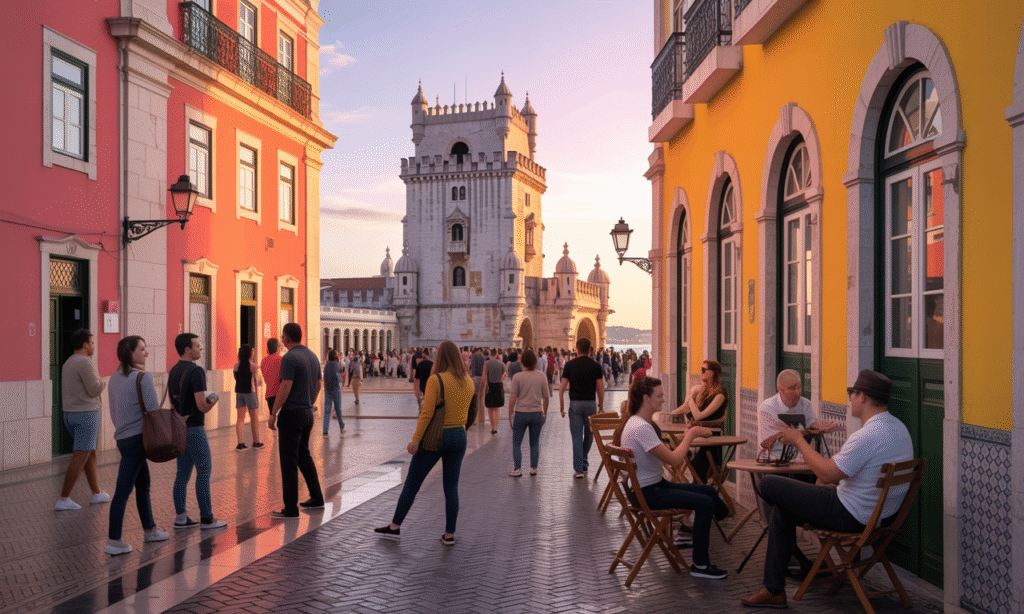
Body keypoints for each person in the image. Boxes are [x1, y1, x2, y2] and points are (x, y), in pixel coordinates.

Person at [740, 370, 913, 608]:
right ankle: (773, 589)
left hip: (850, 514)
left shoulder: (868, 434)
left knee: (769, 484)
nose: (850, 399)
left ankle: (776, 587)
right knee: (783, 510)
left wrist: (799, 441)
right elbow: (841, 475)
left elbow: (827, 473)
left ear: (862, 397)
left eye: (852, 394)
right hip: (880, 516)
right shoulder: (899, 429)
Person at [615, 376, 729, 579]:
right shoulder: (641, 427)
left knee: (709, 491)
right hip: (649, 492)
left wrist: (687, 436)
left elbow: (667, 454)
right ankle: (700, 565)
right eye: (659, 395)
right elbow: (676, 461)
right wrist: (691, 435)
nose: (663, 399)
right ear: (646, 399)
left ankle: (717, 520)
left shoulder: (636, 422)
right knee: (704, 503)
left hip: (650, 486)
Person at [375, 340, 473, 545]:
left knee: (412, 483)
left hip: (436, 437)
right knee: (451, 486)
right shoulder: (468, 381)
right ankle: (449, 534)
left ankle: (395, 526)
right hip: (459, 436)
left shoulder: (436, 380)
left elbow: (427, 414)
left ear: (440, 358)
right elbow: (473, 412)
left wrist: (415, 440)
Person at [104, 336, 170, 555]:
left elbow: (115, 409)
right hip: (137, 439)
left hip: (123, 438)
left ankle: (150, 529)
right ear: (130, 353)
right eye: (142, 349)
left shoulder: (114, 378)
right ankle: (114, 540)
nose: (146, 352)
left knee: (143, 484)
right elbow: (153, 410)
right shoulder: (142, 377)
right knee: (122, 491)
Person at [169, 333, 227, 531]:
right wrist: (214, 398)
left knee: (182, 475)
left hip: (179, 429)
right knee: (203, 470)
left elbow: (174, 403)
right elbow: (202, 405)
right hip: (194, 428)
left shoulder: (174, 371)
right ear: (188, 349)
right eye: (197, 345)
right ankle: (207, 518)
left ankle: (181, 517)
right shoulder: (196, 371)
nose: (201, 348)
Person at [268, 323, 324, 518]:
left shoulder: (290, 358)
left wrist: (274, 412)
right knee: (303, 457)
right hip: (307, 413)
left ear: (287, 338)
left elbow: (285, 386)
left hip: (291, 414)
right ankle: (317, 497)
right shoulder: (312, 355)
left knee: (289, 461)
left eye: (283, 337)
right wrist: (310, 401)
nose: (282, 340)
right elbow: (318, 384)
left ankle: (290, 508)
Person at [56, 329, 109, 510]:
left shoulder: (68, 362)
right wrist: (104, 380)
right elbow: (94, 389)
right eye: (92, 343)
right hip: (86, 414)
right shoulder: (85, 362)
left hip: (69, 414)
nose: (94, 346)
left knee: (89, 453)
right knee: (80, 457)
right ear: (85, 344)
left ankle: (96, 493)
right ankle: (63, 499)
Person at [757, 369, 838, 461]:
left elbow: (812, 423)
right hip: (773, 459)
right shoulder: (768, 407)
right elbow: (786, 436)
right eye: (792, 388)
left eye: (799, 387)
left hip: (800, 459)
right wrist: (811, 430)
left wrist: (824, 426)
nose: (797, 392)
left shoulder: (806, 404)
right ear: (781, 390)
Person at [672, 359, 727, 483]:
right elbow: (686, 407)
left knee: (699, 468)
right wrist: (669, 415)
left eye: (703, 370)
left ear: (712, 373)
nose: (701, 373)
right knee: (695, 466)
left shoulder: (720, 393)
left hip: (712, 435)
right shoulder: (703, 391)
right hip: (698, 434)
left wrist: (691, 397)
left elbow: (699, 416)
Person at [559, 338, 605, 478]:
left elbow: (561, 389)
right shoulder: (596, 366)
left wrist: (561, 407)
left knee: (576, 436)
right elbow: (600, 388)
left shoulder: (569, 365)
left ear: (577, 348)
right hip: (591, 403)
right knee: (589, 434)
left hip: (575, 404)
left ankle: (579, 468)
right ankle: (584, 459)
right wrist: (601, 406)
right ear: (590, 349)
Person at [508, 349, 549, 476]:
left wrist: (510, 415)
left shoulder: (517, 377)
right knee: (534, 442)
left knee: (516, 443)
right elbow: (546, 398)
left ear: (522, 361)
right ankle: (533, 468)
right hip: (536, 412)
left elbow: (513, 398)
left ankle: (517, 469)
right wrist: (544, 413)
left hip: (521, 412)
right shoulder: (541, 376)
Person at [233, 344, 264, 450]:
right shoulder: (253, 366)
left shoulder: (236, 366)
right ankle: (256, 442)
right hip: (250, 392)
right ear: (250, 353)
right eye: (252, 351)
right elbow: (258, 381)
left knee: (240, 418)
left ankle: (240, 443)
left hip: (239, 392)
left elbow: (235, 378)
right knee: (254, 418)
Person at [484, 348, 507, 435]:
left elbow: (484, 376)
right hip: (498, 385)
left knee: (490, 408)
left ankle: (492, 427)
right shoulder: (501, 363)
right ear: (496, 354)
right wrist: (502, 378)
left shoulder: (487, 363)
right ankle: (496, 427)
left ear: (490, 355)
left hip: (490, 386)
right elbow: (506, 372)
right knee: (497, 408)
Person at [323, 350, 345, 435]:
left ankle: (325, 430)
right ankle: (341, 425)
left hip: (327, 390)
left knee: (327, 410)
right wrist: (338, 360)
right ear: (336, 356)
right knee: (338, 409)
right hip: (336, 390)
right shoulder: (338, 365)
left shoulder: (326, 365)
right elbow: (342, 370)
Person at [261, 338, 283, 415]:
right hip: (280, 394)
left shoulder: (263, 361)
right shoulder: (281, 359)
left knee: (273, 417)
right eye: (280, 346)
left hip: (269, 394)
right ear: (277, 347)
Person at [469, 347, 486, 426]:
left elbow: (473, 369)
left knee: (475, 400)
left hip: (475, 379)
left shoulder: (473, 357)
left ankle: (475, 420)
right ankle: (482, 419)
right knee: (482, 400)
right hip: (482, 379)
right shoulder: (483, 357)